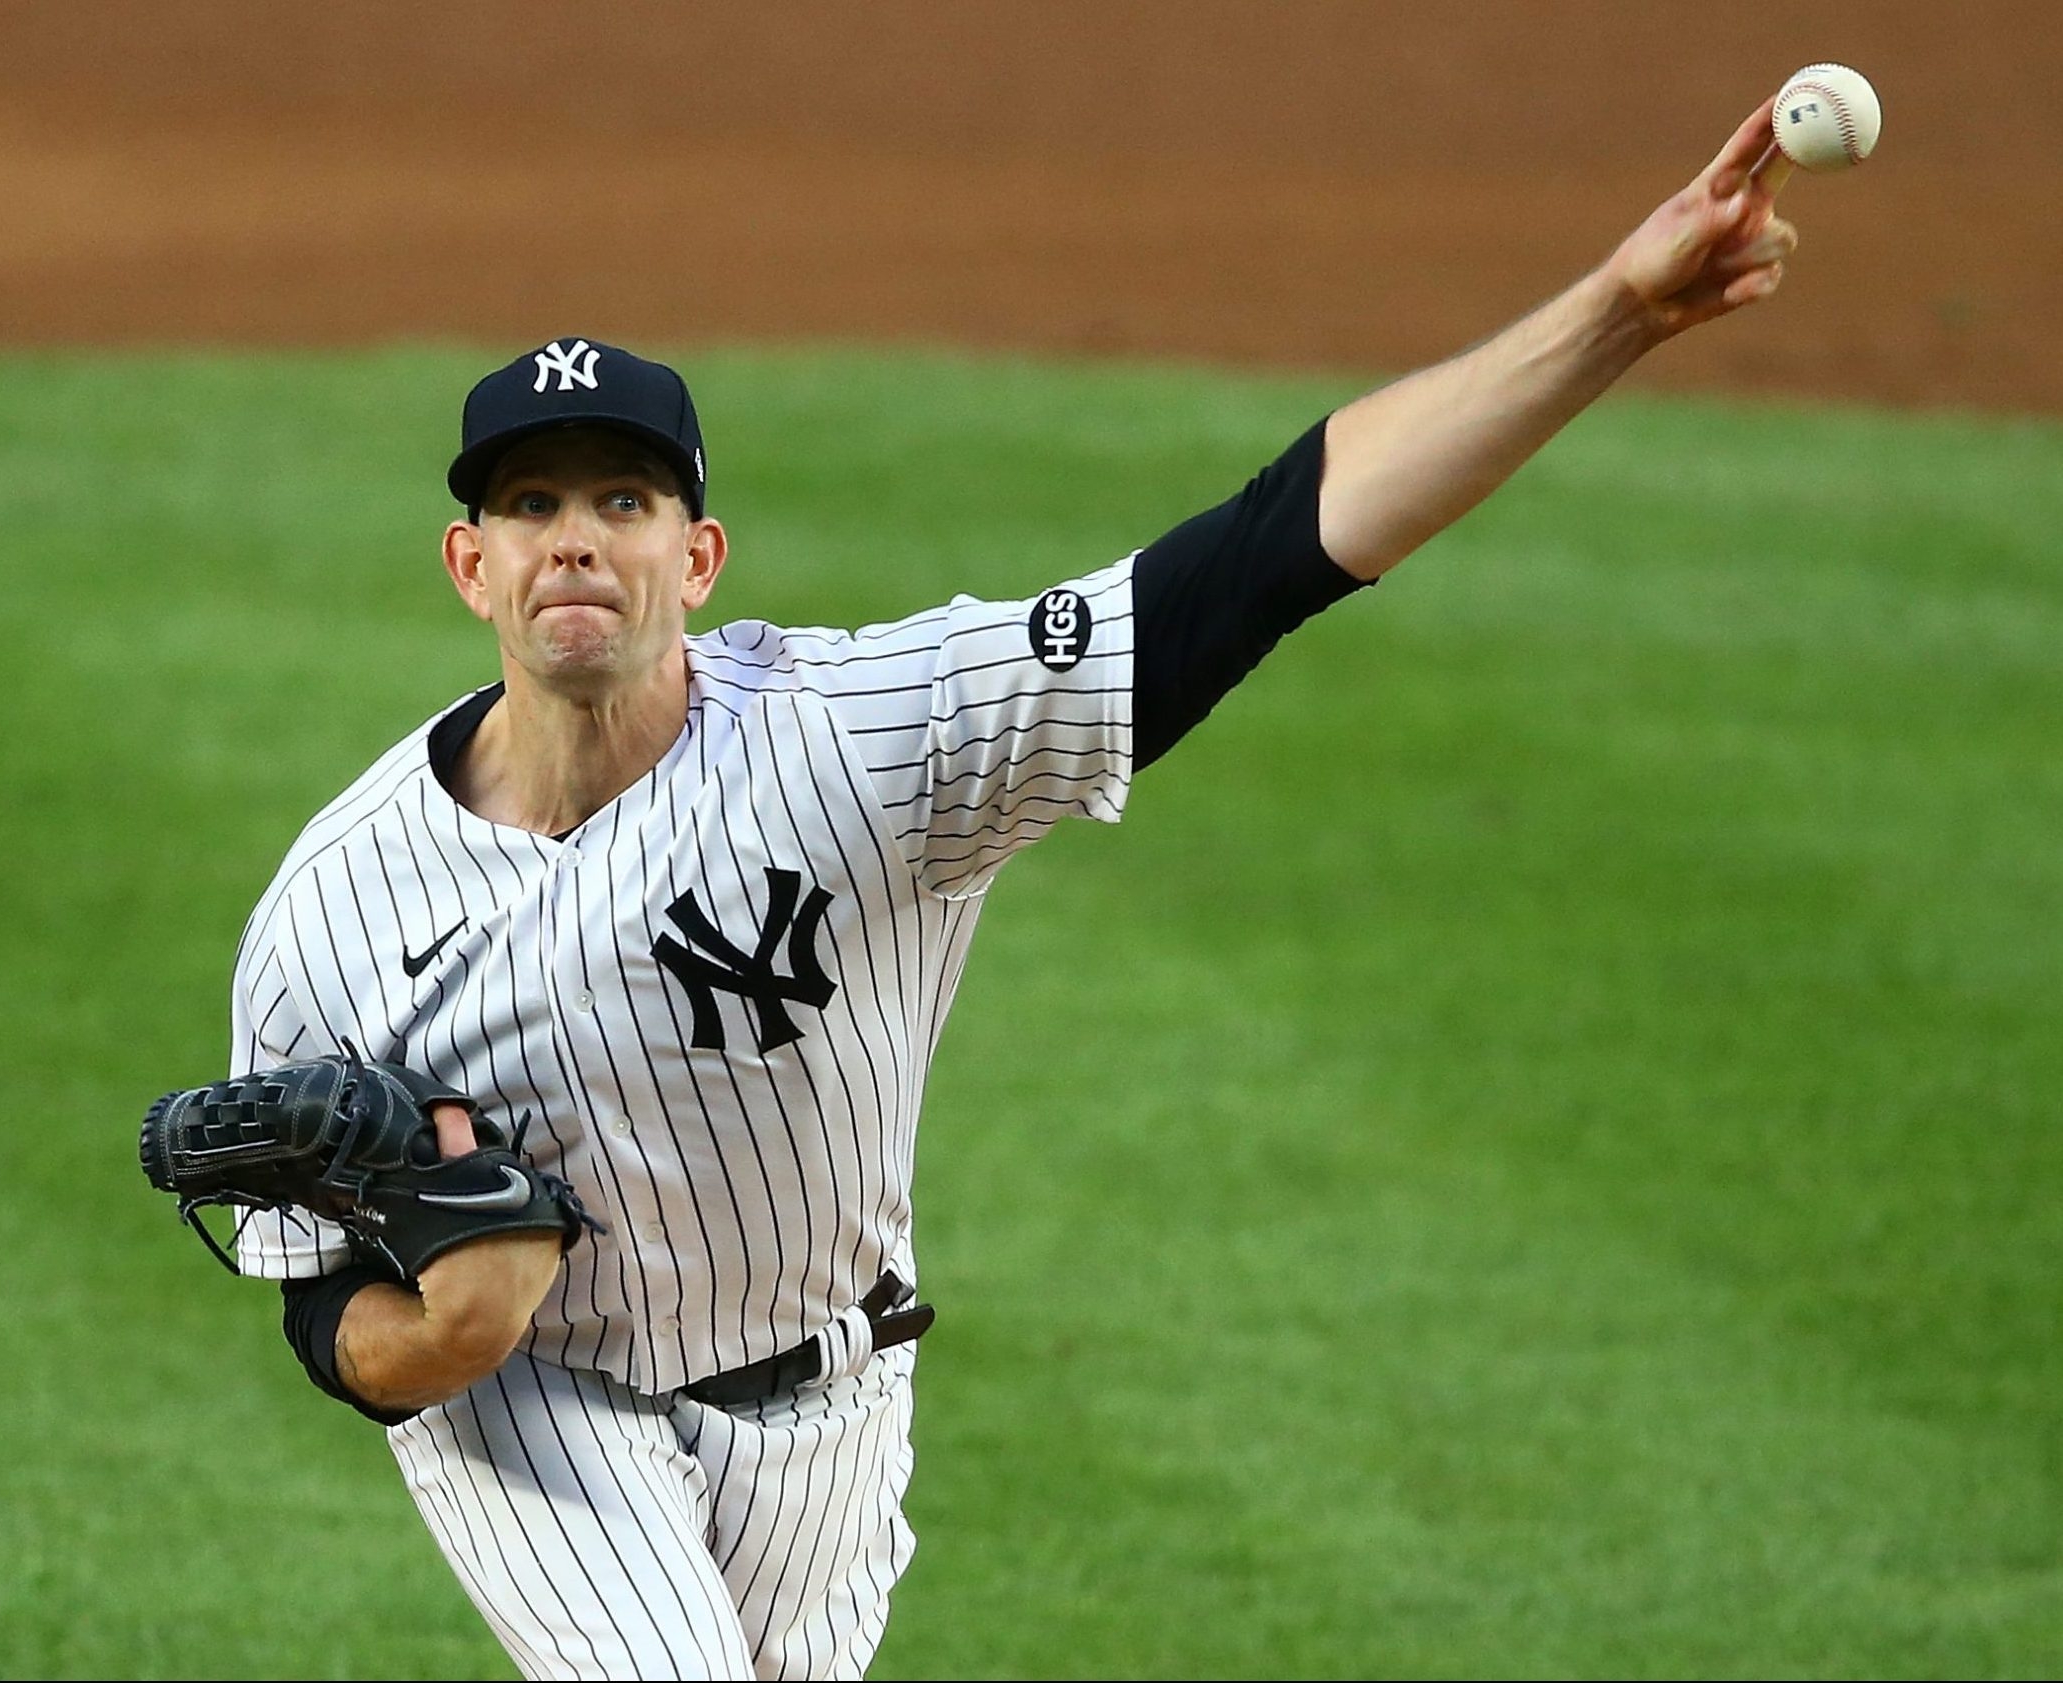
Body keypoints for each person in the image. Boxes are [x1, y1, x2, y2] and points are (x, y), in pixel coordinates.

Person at [222, 103, 1796, 1680]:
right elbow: (315, 1301)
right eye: (532, 507)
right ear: (468, 564)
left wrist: (1617, 314)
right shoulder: (333, 908)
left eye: (621, 504)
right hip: (536, 1413)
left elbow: (1256, 557)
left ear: (697, 560)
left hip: (835, 1402)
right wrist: (432, 1342)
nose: (575, 543)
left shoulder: (857, 742)